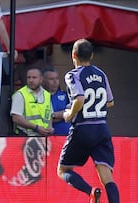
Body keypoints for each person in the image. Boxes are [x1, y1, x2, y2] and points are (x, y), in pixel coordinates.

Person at [57, 38, 119, 203]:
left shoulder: (73, 75)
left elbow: (80, 98)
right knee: (106, 175)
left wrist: (69, 114)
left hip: (83, 128)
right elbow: (110, 101)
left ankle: (90, 192)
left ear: (73, 55)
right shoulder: (101, 73)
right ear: (91, 55)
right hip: (102, 128)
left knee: (63, 170)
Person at [10, 67, 54, 136]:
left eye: (34, 78)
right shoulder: (20, 94)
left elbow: (49, 115)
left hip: (43, 136)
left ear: (41, 79)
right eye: (29, 77)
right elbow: (16, 118)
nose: (31, 80)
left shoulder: (47, 95)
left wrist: (50, 128)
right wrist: (36, 128)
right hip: (25, 136)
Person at [42, 67, 71, 135]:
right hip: (48, 137)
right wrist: (62, 115)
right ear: (43, 81)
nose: (55, 82)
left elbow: (71, 114)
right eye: (51, 79)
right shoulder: (40, 97)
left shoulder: (66, 95)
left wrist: (52, 116)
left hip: (67, 136)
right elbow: (42, 119)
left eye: (57, 78)